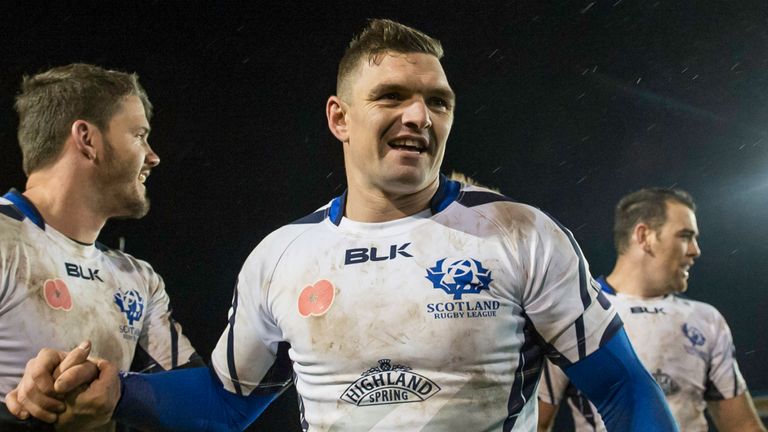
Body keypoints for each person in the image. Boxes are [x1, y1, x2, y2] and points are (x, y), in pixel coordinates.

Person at [8, 20, 678, 431]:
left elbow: (622, 389)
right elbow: (222, 403)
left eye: (437, 102)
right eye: (392, 96)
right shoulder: (283, 256)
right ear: (340, 118)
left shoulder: (520, 234)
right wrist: (117, 389)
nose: (420, 115)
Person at [0, 64, 202, 431]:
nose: (153, 156)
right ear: (87, 139)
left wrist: (117, 389)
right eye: (139, 135)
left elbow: (202, 406)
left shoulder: (138, 277)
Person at [537, 188, 766, 432]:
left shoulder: (706, 320)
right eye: (685, 236)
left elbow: (742, 426)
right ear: (644, 236)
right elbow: (537, 424)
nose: (695, 250)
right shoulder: (575, 315)